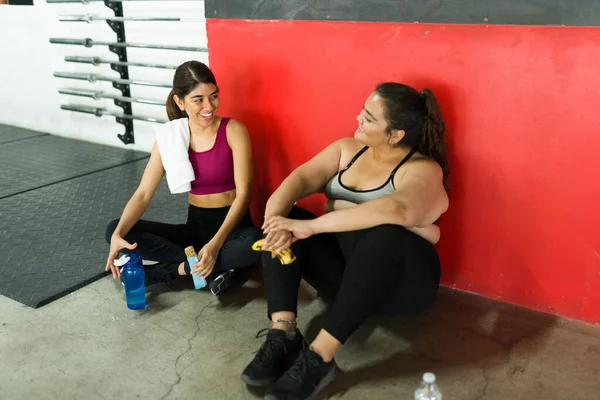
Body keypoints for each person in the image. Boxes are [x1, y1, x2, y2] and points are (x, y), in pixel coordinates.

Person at [240, 82, 450, 398]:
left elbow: (398, 208)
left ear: (394, 135)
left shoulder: (423, 169)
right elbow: (299, 179)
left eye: (368, 118)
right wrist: (276, 222)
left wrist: (321, 220)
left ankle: (319, 358)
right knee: (288, 220)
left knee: (385, 234)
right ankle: (282, 332)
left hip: (402, 289)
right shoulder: (347, 150)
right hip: (348, 280)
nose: (357, 118)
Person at [105, 61, 261, 296]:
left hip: (233, 228)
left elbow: (244, 194)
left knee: (256, 242)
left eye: (214, 96)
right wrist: (117, 236)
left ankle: (170, 271)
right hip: (195, 228)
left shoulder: (233, 130)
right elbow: (143, 194)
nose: (209, 106)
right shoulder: (170, 139)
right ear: (180, 102)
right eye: (198, 99)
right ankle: (208, 269)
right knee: (115, 229)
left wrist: (216, 245)